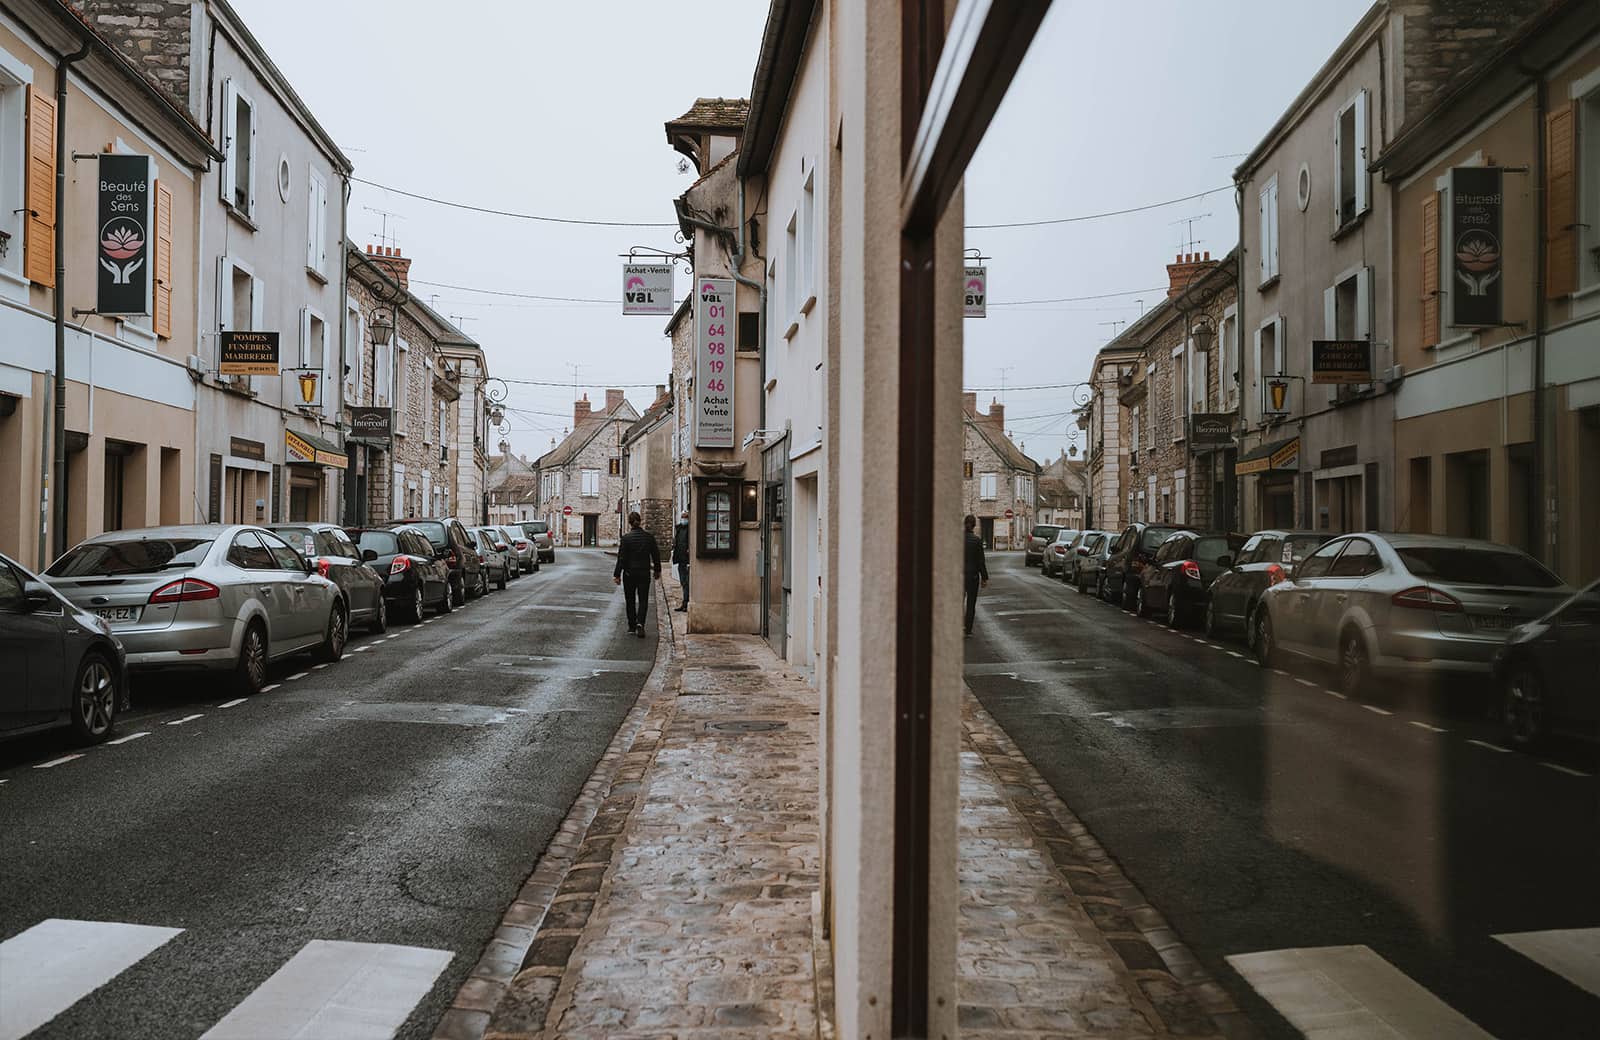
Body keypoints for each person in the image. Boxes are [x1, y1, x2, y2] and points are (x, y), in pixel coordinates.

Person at [614, 511, 661, 637]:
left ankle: (632, 626)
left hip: (629, 573)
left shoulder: (626, 539)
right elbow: (656, 555)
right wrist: (657, 570)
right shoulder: (648, 537)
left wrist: (617, 574)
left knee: (630, 600)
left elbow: (621, 558)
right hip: (644, 572)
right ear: (640, 521)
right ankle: (640, 623)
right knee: (643, 599)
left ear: (629, 523)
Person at [963, 513, 988, 637]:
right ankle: (968, 630)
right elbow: (980, 561)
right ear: (974, 526)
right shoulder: (977, 541)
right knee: (971, 603)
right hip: (972, 576)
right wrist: (984, 578)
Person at [671, 509, 690, 611]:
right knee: (683, 583)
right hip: (680, 560)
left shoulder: (690, 529)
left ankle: (686, 603)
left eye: (685, 517)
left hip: (687, 560)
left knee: (687, 583)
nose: (684, 519)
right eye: (683, 517)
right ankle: (684, 603)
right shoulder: (679, 529)